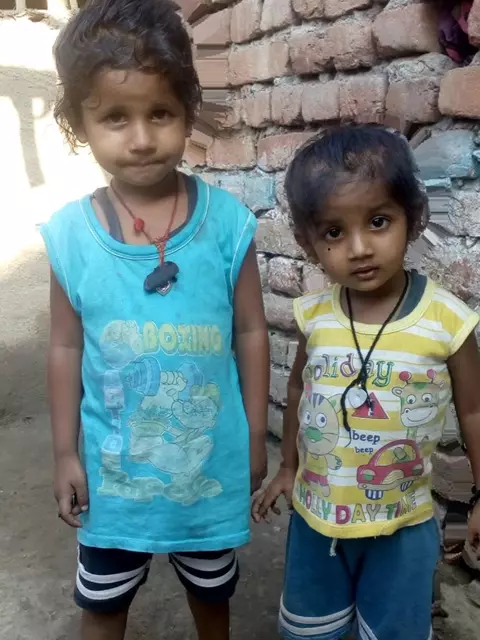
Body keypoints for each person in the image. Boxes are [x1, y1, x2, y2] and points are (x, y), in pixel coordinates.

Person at [40, 1, 269, 639]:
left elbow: (251, 331)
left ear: (188, 112)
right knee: (103, 604)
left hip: (208, 466)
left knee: (212, 594)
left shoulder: (228, 226)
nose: (141, 139)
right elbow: (64, 348)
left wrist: (255, 435)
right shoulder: (70, 237)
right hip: (114, 480)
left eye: (160, 113)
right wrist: (65, 453)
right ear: (78, 123)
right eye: (115, 117)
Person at [253, 124, 480, 640]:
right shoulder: (315, 315)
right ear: (308, 243)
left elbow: (473, 412)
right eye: (334, 233)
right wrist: (288, 466)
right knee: (313, 631)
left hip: (402, 526)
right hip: (316, 520)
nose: (359, 248)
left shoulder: (447, 321)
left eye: (378, 222)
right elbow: (298, 391)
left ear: (413, 217)